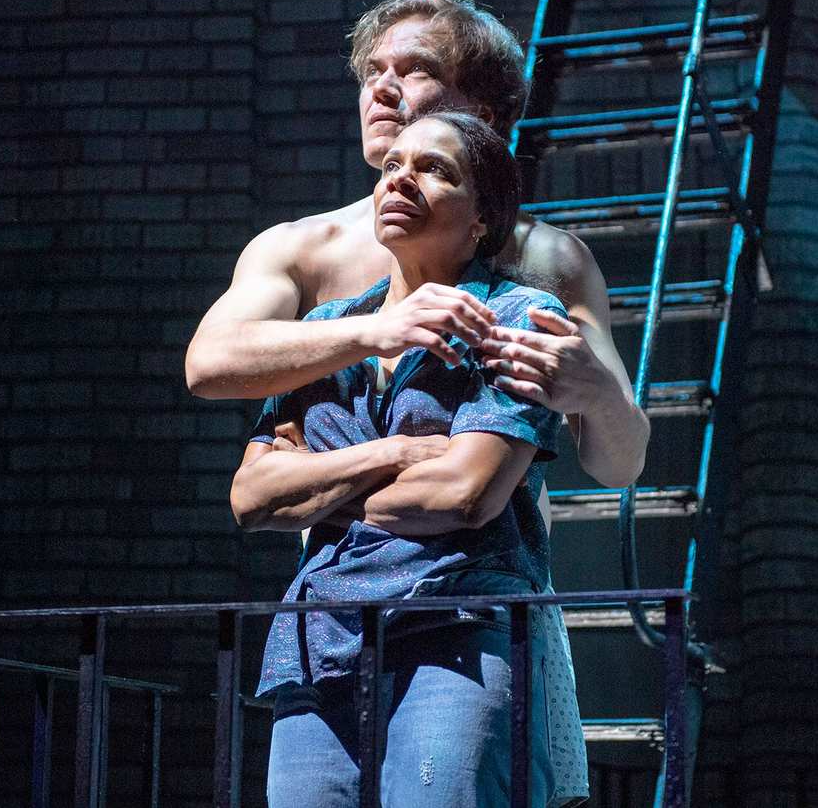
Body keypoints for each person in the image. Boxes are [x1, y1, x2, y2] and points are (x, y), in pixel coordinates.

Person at [230, 110, 572, 806]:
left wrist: (327, 486)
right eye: (393, 167)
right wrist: (397, 453)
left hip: (455, 623)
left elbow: (463, 495)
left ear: (482, 218)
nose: (401, 179)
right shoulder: (328, 333)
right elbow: (255, 497)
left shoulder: (514, 316)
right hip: (317, 638)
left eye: (435, 169)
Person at [186, 0, 649, 490]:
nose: (381, 89)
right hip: (335, 558)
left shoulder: (547, 255)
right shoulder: (302, 247)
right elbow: (209, 364)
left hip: (485, 556)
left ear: (483, 114)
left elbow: (619, 466)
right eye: (372, 72)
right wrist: (379, 329)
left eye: (415, 70)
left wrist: (599, 397)